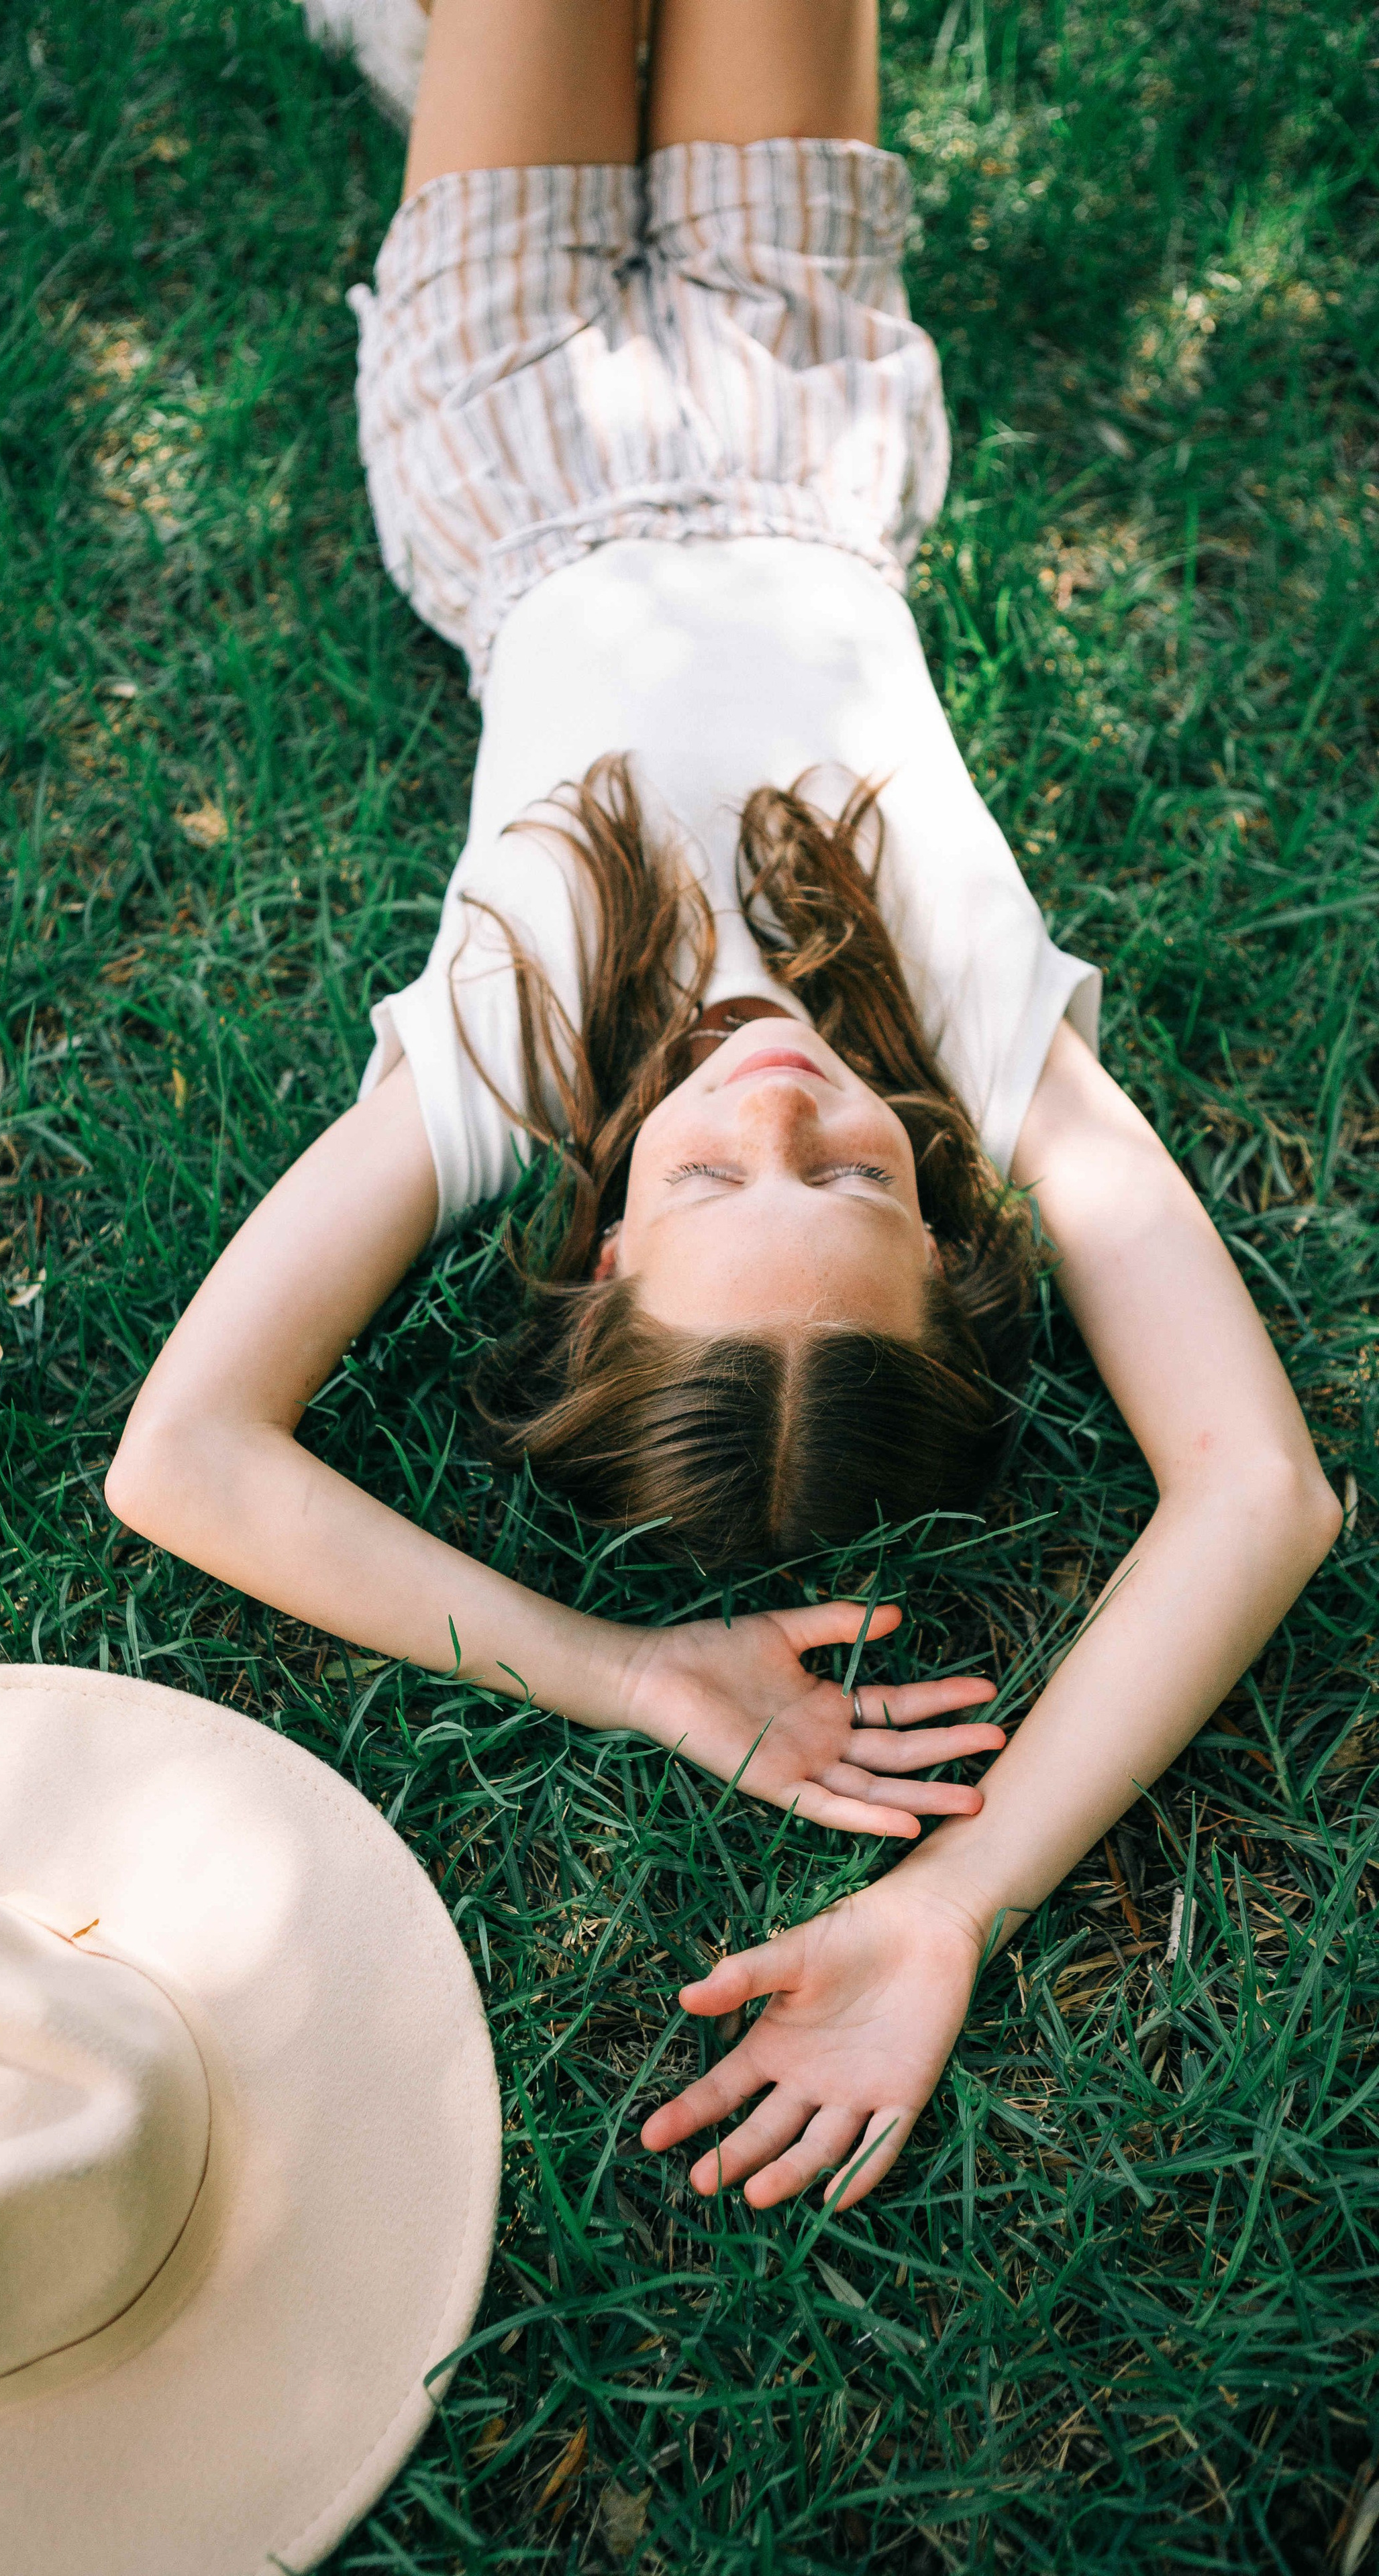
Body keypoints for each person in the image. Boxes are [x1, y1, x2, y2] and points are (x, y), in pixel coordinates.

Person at [107, 0, 1341, 2212]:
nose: (783, 1093)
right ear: (953, 1223)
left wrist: (632, 1675)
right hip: (801, 393)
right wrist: (949, 1900)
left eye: (710, 1169)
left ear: (594, 1238)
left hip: (512, 421)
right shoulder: (985, 1048)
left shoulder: (506, 1060)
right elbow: (1257, 1492)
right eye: (853, 1165)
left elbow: (181, 1458)